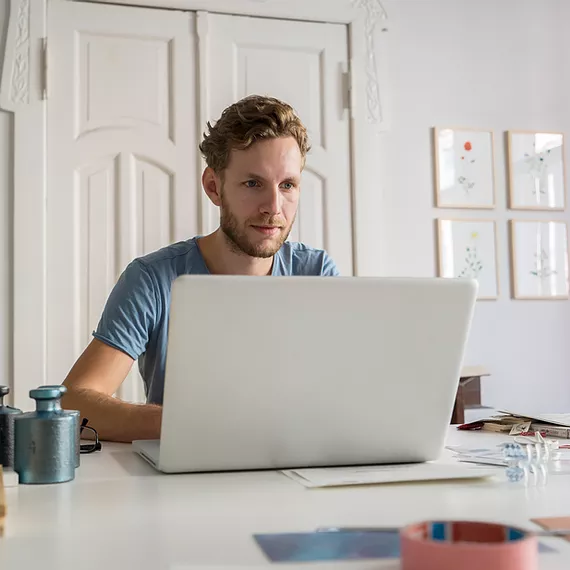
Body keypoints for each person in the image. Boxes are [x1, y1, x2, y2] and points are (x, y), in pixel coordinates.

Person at [62, 95, 340, 443]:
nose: (274, 208)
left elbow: (342, 395)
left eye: (287, 185)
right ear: (214, 187)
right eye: (253, 183)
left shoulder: (316, 273)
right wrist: (192, 424)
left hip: (295, 471)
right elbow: (74, 401)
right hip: (183, 481)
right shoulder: (153, 280)